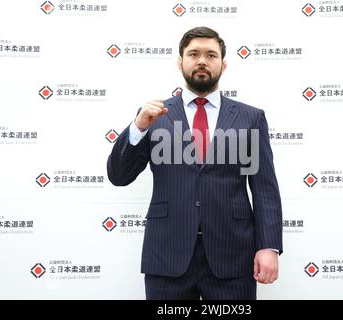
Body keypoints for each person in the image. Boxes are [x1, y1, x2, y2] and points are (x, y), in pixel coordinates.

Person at [107, 26, 283, 300]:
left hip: (232, 255)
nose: (202, 60)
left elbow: (265, 189)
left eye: (211, 55)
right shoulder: (154, 116)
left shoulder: (250, 118)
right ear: (180, 62)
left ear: (223, 65)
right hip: (167, 255)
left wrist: (269, 246)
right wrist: (137, 127)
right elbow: (119, 176)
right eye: (194, 54)